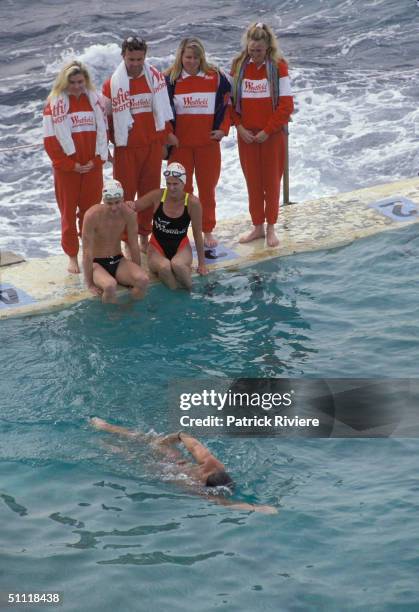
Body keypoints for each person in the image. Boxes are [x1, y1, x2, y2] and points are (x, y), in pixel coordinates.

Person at [89, 417, 278, 514]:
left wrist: (256, 509)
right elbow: (226, 503)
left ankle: (106, 439)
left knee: (136, 450)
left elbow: (226, 503)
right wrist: (177, 436)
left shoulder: (213, 466)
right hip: (169, 465)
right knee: (144, 446)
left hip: (169, 465)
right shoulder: (202, 482)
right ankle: (105, 429)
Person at [102, 36, 173, 252]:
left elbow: (162, 113)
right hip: (126, 149)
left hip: (151, 146)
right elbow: (103, 119)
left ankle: (144, 236)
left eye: (139, 59)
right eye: (131, 59)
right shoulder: (111, 85)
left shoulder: (155, 78)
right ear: (123, 56)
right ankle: (124, 240)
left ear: (145, 57)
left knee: (149, 194)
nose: (134, 63)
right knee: (123, 197)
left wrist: (163, 141)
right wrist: (104, 147)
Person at [231, 22, 294, 247]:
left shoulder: (278, 67)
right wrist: (239, 127)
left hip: (272, 136)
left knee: (271, 183)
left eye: (259, 51)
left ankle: (271, 227)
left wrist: (268, 130)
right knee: (253, 183)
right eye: (251, 50)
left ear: (268, 48)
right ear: (247, 47)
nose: (255, 55)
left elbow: (286, 105)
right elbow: (230, 104)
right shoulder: (239, 66)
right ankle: (257, 226)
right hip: (246, 136)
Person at [165, 37, 231, 248]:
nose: (191, 61)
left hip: (207, 146)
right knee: (180, 191)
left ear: (201, 57)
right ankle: (180, 231)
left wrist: (223, 129)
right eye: (187, 57)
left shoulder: (216, 77)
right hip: (180, 147)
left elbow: (228, 105)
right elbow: (162, 112)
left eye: (195, 57)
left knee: (207, 190)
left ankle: (207, 230)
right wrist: (168, 134)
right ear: (181, 57)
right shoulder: (170, 80)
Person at [43, 60, 108, 273]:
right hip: (67, 171)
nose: (77, 86)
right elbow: (50, 142)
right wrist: (70, 165)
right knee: (68, 215)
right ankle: (72, 256)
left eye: (80, 82)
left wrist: (95, 161)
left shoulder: (96, 101)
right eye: (72, 82)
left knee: (91, 214)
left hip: (92, 167)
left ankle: (90, 253)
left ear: (86, 81)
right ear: (64, 82)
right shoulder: (53, 105)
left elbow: (103, 134)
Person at [132, 162, 208, 290]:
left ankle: (191, 292)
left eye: (175, 184)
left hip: (181, 246)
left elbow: (197, 234)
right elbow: (135, 206)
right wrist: (126, 205)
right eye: (168, 183)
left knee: (178, 265)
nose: (171, 188)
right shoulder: (158, 195)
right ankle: (176, 297)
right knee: (165, 267)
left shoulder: (192, 203)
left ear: (184, 183)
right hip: (157, 246)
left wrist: (202, 263)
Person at [82, 179, 149, 303]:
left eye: (117, 202)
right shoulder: (92, 215)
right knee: (110, 286)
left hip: (118, 260)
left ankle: (131, 311)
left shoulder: (129, 214)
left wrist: (136, 271)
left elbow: (134, 246)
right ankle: (111, 319)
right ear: (103, 200)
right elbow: (87, 252)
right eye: (109, 203)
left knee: (143, 280)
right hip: (96, 263)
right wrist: (89, 283)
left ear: (123, 199)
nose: (114, 208)